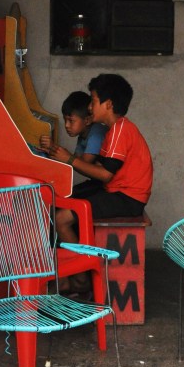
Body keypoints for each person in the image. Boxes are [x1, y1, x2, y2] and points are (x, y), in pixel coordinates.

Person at [42, 74, 153, 291]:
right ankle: (63, 271)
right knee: (63, 201)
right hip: (117, 190)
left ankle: (81, 278)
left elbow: (105, 175)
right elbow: (102, 172)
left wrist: (68, 159)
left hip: (128, 198)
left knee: (62, 218)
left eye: (93, 100)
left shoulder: (121, 130)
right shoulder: (115, 130)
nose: (90, 106)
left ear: (108, 104)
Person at [40, 90, 106, 166]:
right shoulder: (83, 134)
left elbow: (83, 164)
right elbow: (75, 159)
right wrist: (51, 151)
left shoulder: (96, 134)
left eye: (71, 121)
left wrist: (53, 146)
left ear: (87, 120)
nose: (66, 125)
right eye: (65, 120)